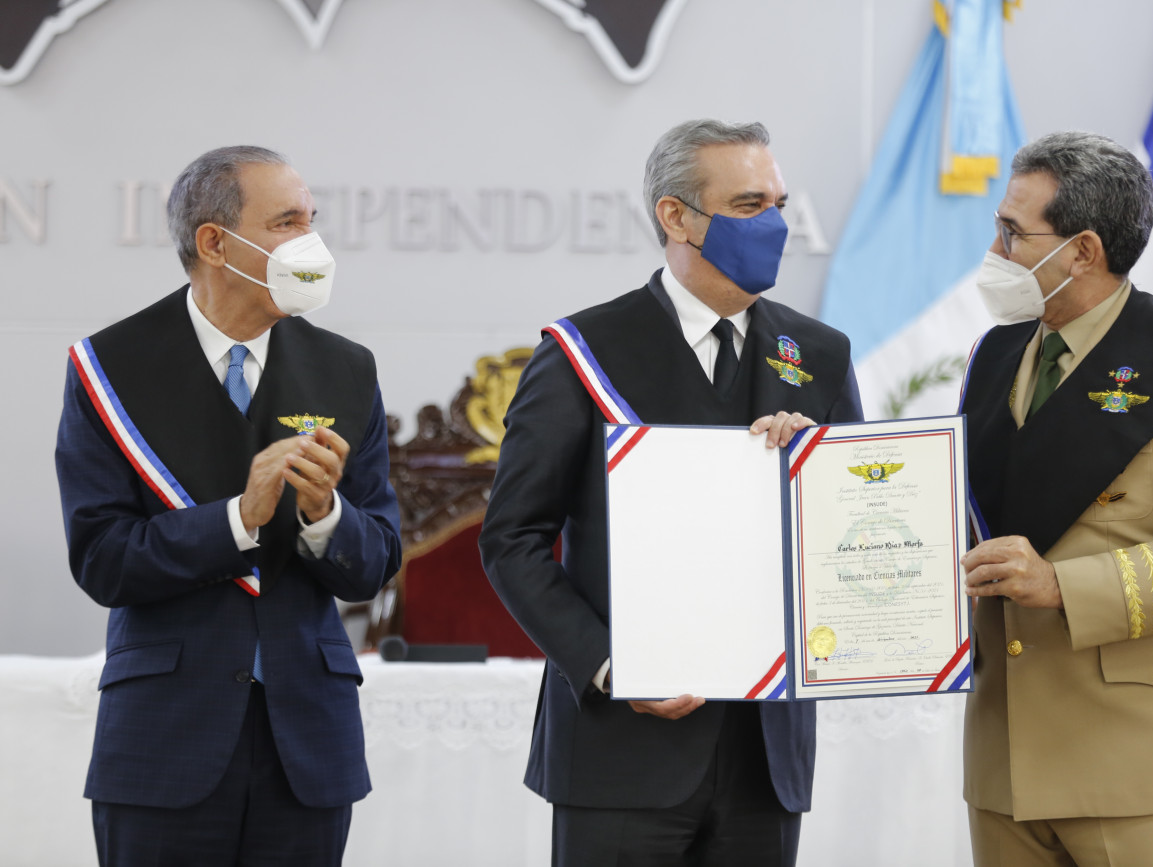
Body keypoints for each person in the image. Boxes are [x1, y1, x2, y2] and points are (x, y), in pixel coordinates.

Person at [479, 119, 863, 866]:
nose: (776, 224)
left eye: (780, 204)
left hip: (765, 754)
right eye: (750, 205)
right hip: (620, 749)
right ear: (677, 216)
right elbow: (512, 539)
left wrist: (814, 472)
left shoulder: (819, 353)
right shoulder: (582, 351)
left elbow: (849, 535)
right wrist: (611, 665)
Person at [55, 146, 402, 866]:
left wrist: (324, 515)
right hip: (164, 739)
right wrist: (240, 518)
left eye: (311, 220)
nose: (310, 242)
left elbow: (374, 563)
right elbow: (103, 561)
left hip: (307, 745)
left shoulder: (347, 367)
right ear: (215, 243)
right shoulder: (111, 365)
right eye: (286, 222)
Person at [959, 131, 1153, 866]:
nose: (995, 249)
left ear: (1083, 252)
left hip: (1140, 764)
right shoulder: (995, 353)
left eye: (1013, 232)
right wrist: (812, 458)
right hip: (1006, 761)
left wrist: (1060, 584)